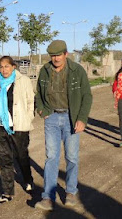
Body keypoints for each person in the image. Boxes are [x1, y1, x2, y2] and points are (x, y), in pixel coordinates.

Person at [34, 40, 92, 211]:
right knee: (51, 157)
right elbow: (38, 94)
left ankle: (71, 192)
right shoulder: (45, 71)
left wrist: (82, 119)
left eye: (59, 55)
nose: (56, 58)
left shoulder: (77, 70)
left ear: (66, 54)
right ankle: (48, 197)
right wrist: (42, 111)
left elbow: (87, 96)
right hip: (51, 117)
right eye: (53, 56)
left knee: (72, 157)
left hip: (71, 118)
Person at [0, 56, 35, 204]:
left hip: (19, 126)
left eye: (7, 66)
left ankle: (28, 179)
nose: (4, 70)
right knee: (5, 159)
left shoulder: (23, 81)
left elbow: (30, 101)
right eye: (1, 67)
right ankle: (7, 192)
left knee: (21, 156)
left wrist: (28, 119)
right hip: (0, 127)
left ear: (13, 67)